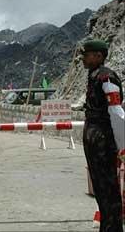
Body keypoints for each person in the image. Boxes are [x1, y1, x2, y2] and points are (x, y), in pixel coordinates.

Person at [81, 39, 124, 232]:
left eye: (87, 54)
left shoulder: (107, 78)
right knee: (101, 189)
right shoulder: (94, 76)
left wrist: (122, 145)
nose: (83, 58)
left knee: (109, 190)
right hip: (96, 140)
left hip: (103, 141)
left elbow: (116, 112)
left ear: (99, 56)